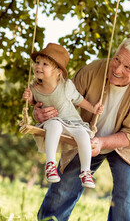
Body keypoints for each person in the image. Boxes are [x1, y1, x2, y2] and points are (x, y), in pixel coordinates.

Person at [35, 38, 130, 221]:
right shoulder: (93, 70)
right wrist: (42, 112)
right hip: (85, 133)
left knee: (126, 195)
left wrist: (102, 142)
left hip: (125, 144)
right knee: (65, 184)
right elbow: (62, 100)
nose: (116, 69)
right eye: (117, 59)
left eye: (127, 67)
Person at [22, 43, 104, 188]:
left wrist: (93, 109)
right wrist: (29, 99)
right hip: (52, 122)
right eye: (38, 63)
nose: (38, 66)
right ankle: (50, 166)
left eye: (45, 64)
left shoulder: (66, 86)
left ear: (58, 71)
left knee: (84, 136)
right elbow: (35, 102)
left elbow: (79, 100)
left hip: (72, 122)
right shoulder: (34, 87)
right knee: (55, 124)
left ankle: (85, 172)